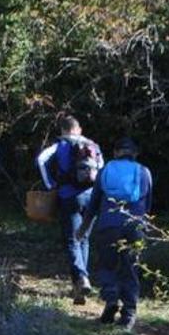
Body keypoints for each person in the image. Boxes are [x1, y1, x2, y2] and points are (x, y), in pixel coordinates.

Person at [77, 137, 152, 330]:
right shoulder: (144, 172)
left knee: (107, 265)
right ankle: (129, 314)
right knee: (130, 267)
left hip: (108, 225)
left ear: (116, 152)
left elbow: (93, 204)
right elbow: (148, 204)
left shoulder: (105, 171)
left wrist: (83, 227)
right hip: (134, 225)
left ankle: (111, 300)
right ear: (135, 153)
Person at [36, 116, 104, 304]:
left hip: (69, 197)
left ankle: (81, 277)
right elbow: (101, 167)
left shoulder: (60, 145)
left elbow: (41, 160)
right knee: (84, 239)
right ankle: (79, 290)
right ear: (79, 129)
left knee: (72, 240)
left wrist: (50, 184)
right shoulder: (92, 145)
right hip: (91, 197)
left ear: (63, 130)